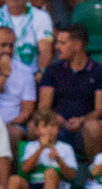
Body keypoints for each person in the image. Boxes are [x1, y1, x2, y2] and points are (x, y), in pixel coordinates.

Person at [37, 24, 102, 161]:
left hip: (84, 126)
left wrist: (81, 120)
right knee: (34, 127)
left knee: (94, 127)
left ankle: (95, 174)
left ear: (77, 46)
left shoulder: (98, 71)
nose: (56, 47)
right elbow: (43, 107)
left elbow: (99, 109)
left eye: (62, 43)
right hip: (55, 125)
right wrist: (55, 118)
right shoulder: (52, 70)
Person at [10, 110, 76, 189]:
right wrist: (40, 148)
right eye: (45, 126)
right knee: (14, 180)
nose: (49, 129)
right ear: (37, 130)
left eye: (53, 126)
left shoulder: (65, 148)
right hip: (34, 186)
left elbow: (71, 175)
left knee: (50, 172)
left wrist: (58, 159)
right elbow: (25, 169)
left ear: (58, 129)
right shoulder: (31, 147)